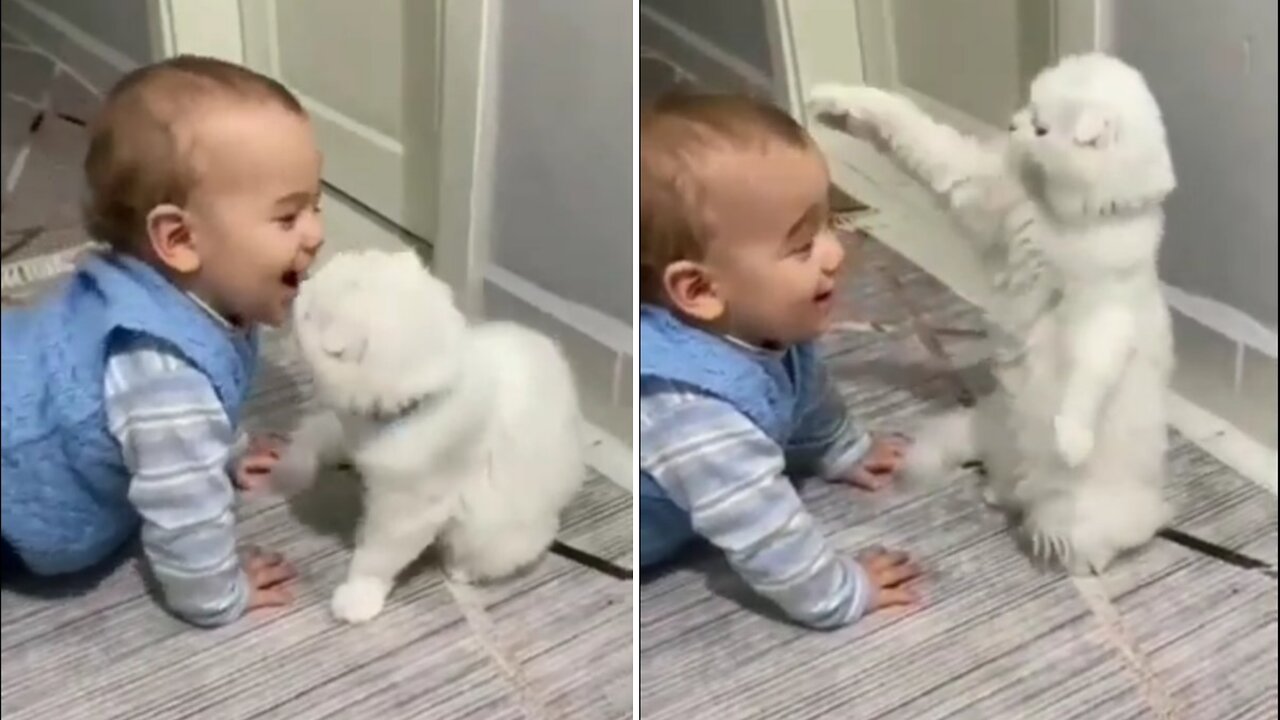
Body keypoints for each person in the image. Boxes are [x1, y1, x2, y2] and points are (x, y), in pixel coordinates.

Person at [1, 55, 323, 627]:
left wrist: (225, 449)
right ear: (178, 239)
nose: (316, 233)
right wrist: (220, 595)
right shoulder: (165, 374)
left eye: (315, 207)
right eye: (287, 217)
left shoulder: (200, 305)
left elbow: (198, 408)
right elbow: (183, 513)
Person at [638, 93, 923, 629]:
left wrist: (838, 448)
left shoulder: (767, 324)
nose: (835, 252)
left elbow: (805, 389)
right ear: (699, 288)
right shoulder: (692, 410)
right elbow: (763, 530)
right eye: (801, 246)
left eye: (829, 224)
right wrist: (839, 592)